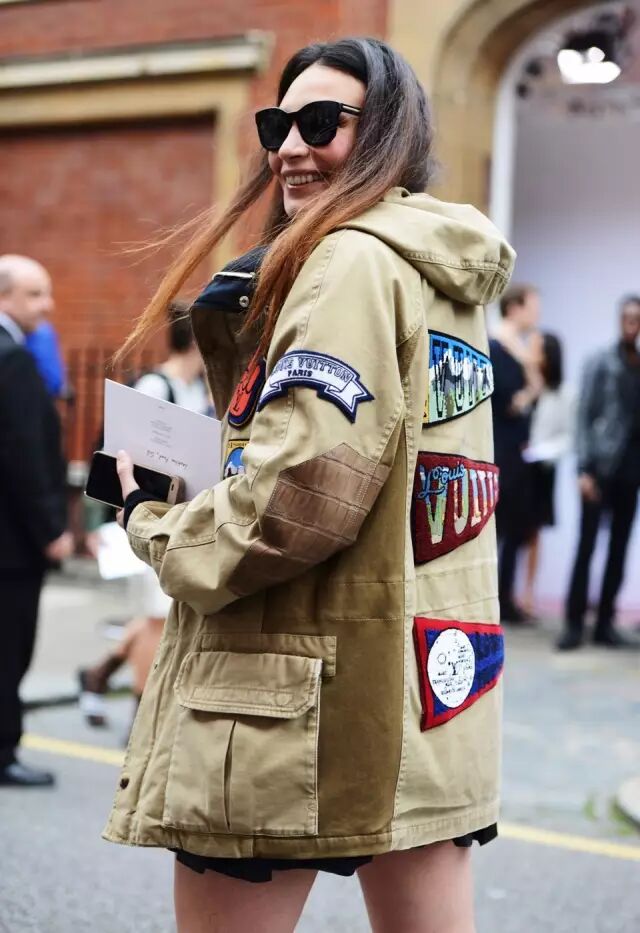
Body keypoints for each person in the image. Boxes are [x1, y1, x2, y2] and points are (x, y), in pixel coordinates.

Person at [103, 38, 515, 932]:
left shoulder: (350, 261)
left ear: (388, 133)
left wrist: (152, 518)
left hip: (288, 690)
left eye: (321, 123)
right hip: (430, 683)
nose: (290, 146)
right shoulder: (442, 271)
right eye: (277, 124)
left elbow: (294, 502)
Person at [79, 304, 210, 728]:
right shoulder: (156, 385)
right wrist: (99, 523)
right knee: (156, 620)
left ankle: (98, 675)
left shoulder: (198, 389)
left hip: (175, 521)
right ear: (198, 340)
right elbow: (115, 454)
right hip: (142, 518)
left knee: (160, 615)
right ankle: (141, 715)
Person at [0, 254, 73, 787]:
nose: (47, 305)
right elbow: (24, 454)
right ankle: (3, 751)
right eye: (34, 294)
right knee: (9, 647)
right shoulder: (13, 360)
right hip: (12, 543)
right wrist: (52, 530)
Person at [559, 296, 640, 651]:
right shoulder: (600, 361)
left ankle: (605, 622)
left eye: (637, 318)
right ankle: (573, 624)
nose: (631, 323)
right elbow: (583, 417)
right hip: (599, 470)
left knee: (619, 549)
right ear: (619, 320)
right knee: (587, 547)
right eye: (627, 317)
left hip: (630, 473)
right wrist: (583, 469)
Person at [490, 285, 542, 623]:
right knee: (497, 527)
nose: (536, 314)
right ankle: (494, 600)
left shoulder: (520, 349)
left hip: (514, 451)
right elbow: (509, 401)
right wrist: (528, 393)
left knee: (512, 527)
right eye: (532, 307)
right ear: (514, 307)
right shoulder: (497, 346)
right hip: (501, 451)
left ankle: (504, 599)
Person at [520, 332, 574, 615]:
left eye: (537, 349)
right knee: (511, 528)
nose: (531, 353)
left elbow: (568, 437)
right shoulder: (526, 383)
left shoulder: (564, 393)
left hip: (541, 468)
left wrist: (541, 450)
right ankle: (507, 591)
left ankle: (527, 594)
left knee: (533, 531)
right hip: (516, 464)